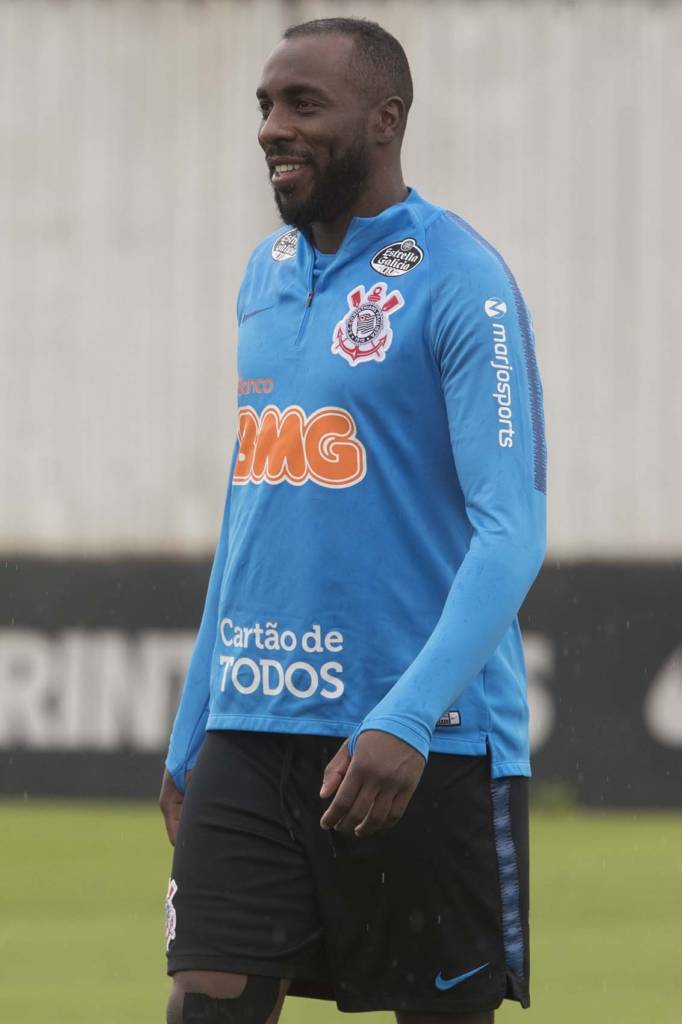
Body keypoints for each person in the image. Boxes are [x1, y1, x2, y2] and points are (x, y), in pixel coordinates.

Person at [159, 16, 546, 1024]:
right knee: (205, 1003)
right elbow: (251, 510)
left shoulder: (462, 279)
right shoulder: (264, 275)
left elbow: (512, 530)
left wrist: (406, 717)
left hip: (424, 741)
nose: (270, 128)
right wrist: (194, 725)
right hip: (253, 727)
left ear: (385, 120)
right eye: (264, 106)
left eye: (303, 104)